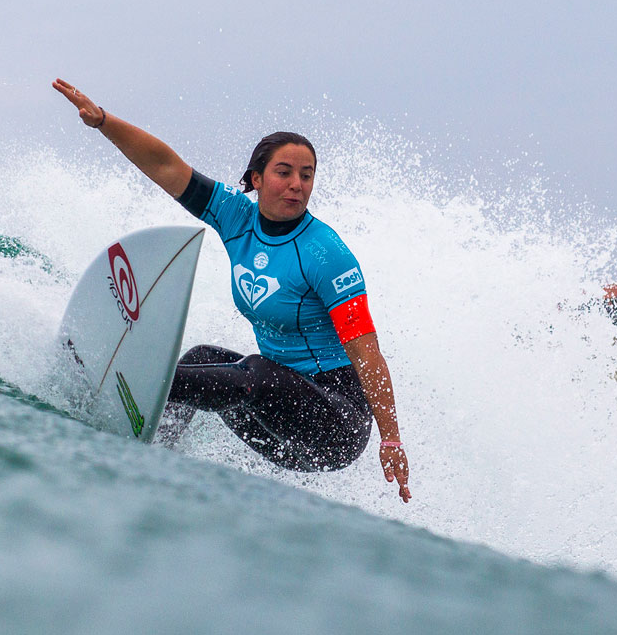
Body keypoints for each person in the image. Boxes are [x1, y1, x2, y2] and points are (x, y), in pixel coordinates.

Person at [53, 78, 410, 503]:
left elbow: (366, 352)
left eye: (307, 175)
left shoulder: (326, 254)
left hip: (333, 426)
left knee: (255, 372)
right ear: (256, 178)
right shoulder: (237, 217)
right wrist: (103, 122)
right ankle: (149, 457)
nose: (297, 184)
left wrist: (391, 439)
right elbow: (166, 167)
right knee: (202, 356)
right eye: (284, 172)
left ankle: (144, 382)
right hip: (271, 416)